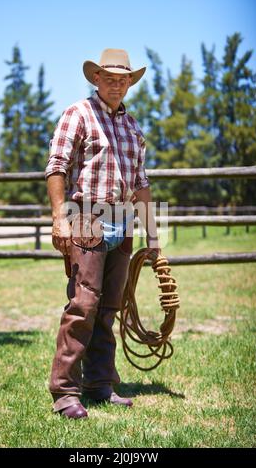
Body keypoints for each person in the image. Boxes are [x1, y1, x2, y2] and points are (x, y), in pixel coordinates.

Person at [45, 49, 161, 419]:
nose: (116, 84)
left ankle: (98, 385)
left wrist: (154, 236)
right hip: (86, 218)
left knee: (109, 307)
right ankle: (65, 391)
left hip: (123, 220)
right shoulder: (77, 114)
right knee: (83, 306)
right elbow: (57, 166)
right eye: (109, 78)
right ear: (96, 79)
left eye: (123, 79)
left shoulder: (132, 127)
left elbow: (140, 182)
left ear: (130, 82)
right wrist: (60, 217)